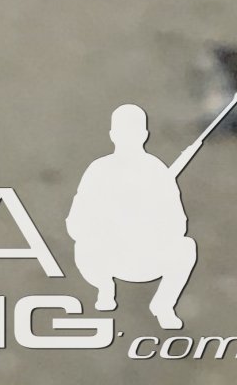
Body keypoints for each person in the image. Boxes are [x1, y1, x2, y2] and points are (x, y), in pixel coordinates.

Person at [67, 105, 200, 330]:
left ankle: (163, 305)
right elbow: (75, 222)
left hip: (147, 257)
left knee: (186, 247)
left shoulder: (157, 172)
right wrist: (108, 225)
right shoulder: (99, 170)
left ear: (144, 135)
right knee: (83, 246)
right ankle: (105, 288)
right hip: (107, 258)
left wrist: (149, 221)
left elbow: (179, 224)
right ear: (113, 135)